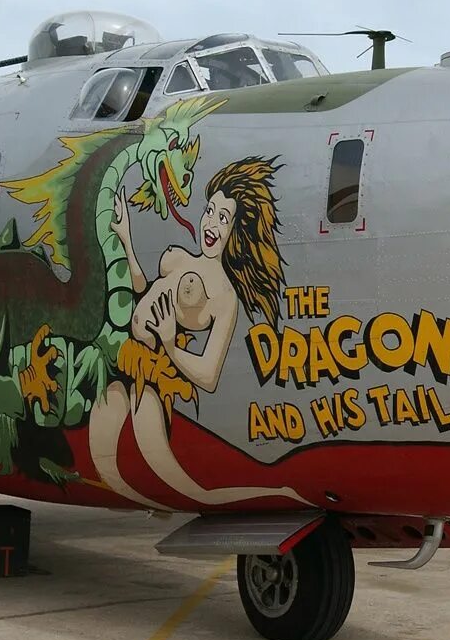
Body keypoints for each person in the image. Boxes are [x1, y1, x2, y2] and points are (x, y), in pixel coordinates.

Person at [88, 156, 307, 508]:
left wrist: (171, 343)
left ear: (235, 231)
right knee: (103, 467)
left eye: (224, 218)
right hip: (125, 363)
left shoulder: (224, 295)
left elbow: (207, 375)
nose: (212, 222)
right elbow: (145, 291)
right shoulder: (178, 258)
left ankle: (277, 493)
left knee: (182, 484)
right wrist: (127, 239)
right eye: (210, 211)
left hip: (154, 379)